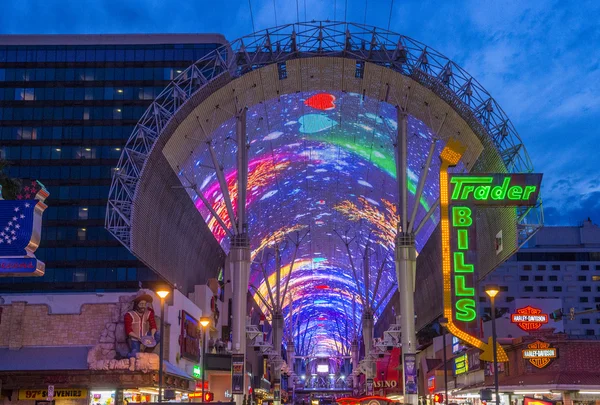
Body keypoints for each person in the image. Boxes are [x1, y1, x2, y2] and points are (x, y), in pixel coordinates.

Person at [124, 293, 161, 358]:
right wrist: (138, 338)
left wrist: (152, 335)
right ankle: (129, 355)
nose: (143, 306)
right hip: (135, 338)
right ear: (136, 305)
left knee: (158, 334)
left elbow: (153, 326)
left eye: (144, 304)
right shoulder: (129, 315)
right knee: (135, 355)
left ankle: (146, 352)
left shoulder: (149, 313)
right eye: (141, 304)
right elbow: (128, 331)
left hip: (145, 335)